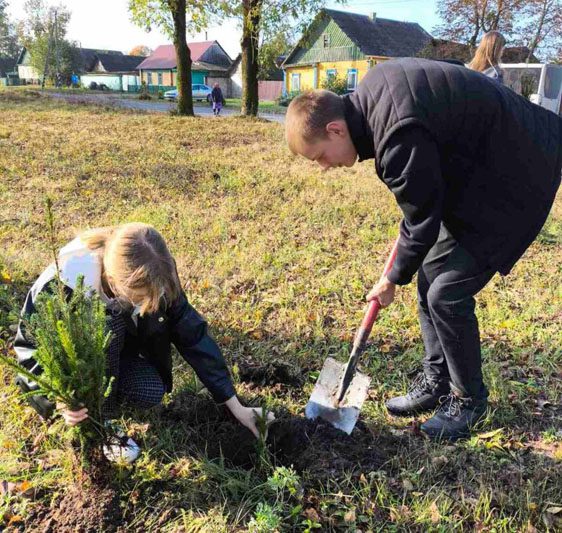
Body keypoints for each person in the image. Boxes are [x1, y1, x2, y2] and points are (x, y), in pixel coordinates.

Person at [284, 58, 562, 441]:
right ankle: (437, 380)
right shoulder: (373, 96)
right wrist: (401, 272)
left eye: (319, 158)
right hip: (482, 168)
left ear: (335, 129)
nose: (324, 167)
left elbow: (422, 222)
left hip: (517, 176)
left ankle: (469, 402)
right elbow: (420, 205)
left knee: (447, 293)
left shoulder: (396, 137)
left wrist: (392, 279)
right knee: (428, 276)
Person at [14, 223, 274, 461]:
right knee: (110, 322)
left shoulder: (157, 273)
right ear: (114, 282)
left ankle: (109, 398)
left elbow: (192, 335)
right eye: (139, 299)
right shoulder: (63, 282)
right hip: (79, 372)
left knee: (150, 390)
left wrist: (236, 406)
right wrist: (58, 400)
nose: (149, 305)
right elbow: (30, 347)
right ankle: (100, 422)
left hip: (117, 356)